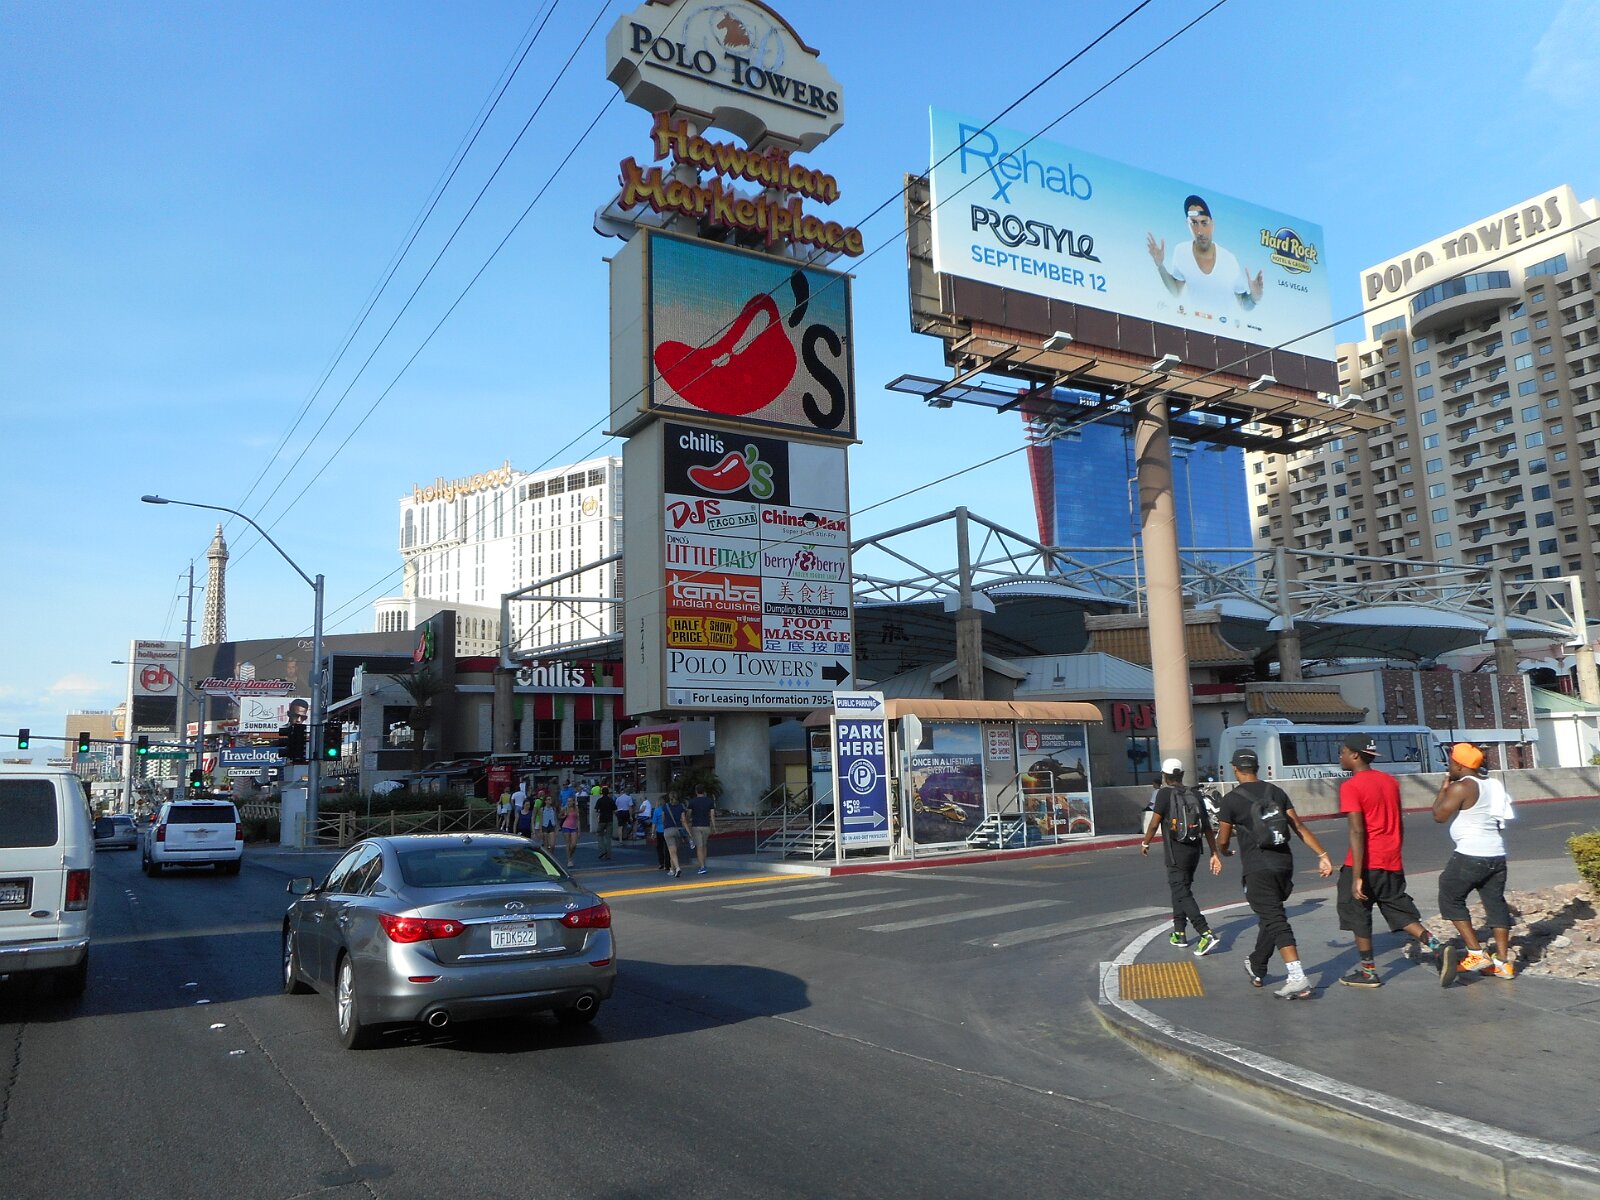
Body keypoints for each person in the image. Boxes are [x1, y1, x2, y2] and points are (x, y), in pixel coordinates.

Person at [1212, 748, 1335, 999]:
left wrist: (1222, 851)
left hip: (1258, 868)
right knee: (1271, 914)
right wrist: (1322, 855)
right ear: (1257, 767)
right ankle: (1257, 966)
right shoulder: (1276, 792)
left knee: (1276, 921)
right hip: (1284, 865)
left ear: (1235, 769)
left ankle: (1297, 977)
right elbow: (1298, 826)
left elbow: (1222, 839)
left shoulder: (1231, 799)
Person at [1336, 732, 1443, 988]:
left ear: (1355, 755)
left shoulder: (1351, 786)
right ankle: (1437, 946)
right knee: (1398, 910)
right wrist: (1394, 852)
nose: (1340, 757)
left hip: (1364, 863)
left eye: (1343, 752)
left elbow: (1357, 831)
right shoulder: (1390, 782)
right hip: (1390, 860)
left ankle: (1368, 972)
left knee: (1359, 915)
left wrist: (1357, 876)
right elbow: (1398, 822)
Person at [1433, 743, 1517, 982]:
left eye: (1451, 762)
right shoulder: (1492, 785)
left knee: (1450, 896)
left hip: (1471, 854)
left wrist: (1443, 789)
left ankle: (1476, 953)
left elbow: (1439, 815)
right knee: (1495, 904)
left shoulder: (1462, 786)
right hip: (1496, 855)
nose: (1449, 766)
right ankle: (1502, 963)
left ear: (1459, 765)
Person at [1138, 757, 1222, 955]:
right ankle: (1179, 933)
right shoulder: (1195, 794)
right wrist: (1214, 852)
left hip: (1176, 853)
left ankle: (1205, 933)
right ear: (1182, 775)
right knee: (1181, 890)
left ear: (1165, 776)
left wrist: (1145, 842)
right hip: (1194, 851)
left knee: (1182, 892)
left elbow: (1154, 823)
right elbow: (1207, 827)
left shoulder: (1164, 794)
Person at [1145, 194, 1264, 316]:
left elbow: (1244, 304)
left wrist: (1254, 299)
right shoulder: (1181, 251)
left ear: (1212, 224)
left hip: (1223, 325)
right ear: (1187, 224)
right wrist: (1160, 266)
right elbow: (1176, 291)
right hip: (1193, 322)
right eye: (1194, 223)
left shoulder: (1229, 260)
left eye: (1204, 223)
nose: (1200, 231)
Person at [685, 782, 717, 875]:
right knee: (704, 845)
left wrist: (687, 821)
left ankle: (702, 866)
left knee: (699, 846)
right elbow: (712, 815)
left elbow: (688, 814)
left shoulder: (692, 802)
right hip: (706, 825)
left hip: (696, 825)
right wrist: (714, 826)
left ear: (696, 791)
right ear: (704, 791)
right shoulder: (709, 801)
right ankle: (704, 863)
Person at [659, 792, 688, 878]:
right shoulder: (681, 806)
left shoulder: (665, 806)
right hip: (678, 830)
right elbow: (683, 820)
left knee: (672, 852)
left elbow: (663, 818)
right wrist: (688, 832)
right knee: (674, 852)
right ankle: (672, 869)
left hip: (668, 830)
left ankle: (677, 868)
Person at [647, 794, 670, 871]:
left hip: (659, 831)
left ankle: (661, 863)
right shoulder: (667, 809)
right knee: (667, 847)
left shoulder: (656, 810)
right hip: (666, 829)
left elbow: (654, 823)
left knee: (659, 848)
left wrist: (652, 833)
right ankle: (668, 864)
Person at [594, 787, 617, 861]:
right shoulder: (611, 800)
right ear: (608, 793)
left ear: (602, 793)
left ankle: (603, 850)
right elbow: (615, 810)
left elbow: (596, 810)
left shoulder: (599, 800)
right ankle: (608, 854)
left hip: (602, 820)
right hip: (609, 820)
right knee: (608, 838)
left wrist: (598, 818)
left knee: (599, 835)